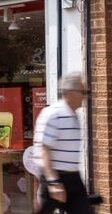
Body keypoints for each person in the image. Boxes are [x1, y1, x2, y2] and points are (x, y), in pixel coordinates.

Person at [33, 72, 91, 214]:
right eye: (83, 92)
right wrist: (53, 181)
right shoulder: (53, 114)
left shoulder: (74, 116)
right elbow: (43, 149)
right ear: (70, 93)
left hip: (74, 179)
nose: (86, 96)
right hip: (56, 177)